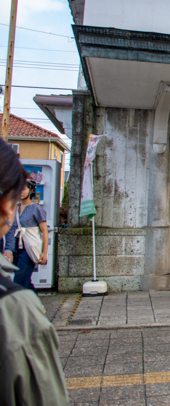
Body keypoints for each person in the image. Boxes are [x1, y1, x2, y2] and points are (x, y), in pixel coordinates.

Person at [0, 138, 68, 405]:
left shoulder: (35, 208)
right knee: (22, 283)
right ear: (7, 206)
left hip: (26, 252)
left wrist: (43, 251)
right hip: (15, 254)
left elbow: (42, 232)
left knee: (23, 277)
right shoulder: (12, 309)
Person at [3, 179, 49, 292]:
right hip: (15, 248)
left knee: (19, 281)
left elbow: (44, 230)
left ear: (31, 190)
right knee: (25, 281)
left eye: (24, 189)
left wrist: (44, 252)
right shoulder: (13, 208)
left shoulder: (36, 208)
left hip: (29, 249)